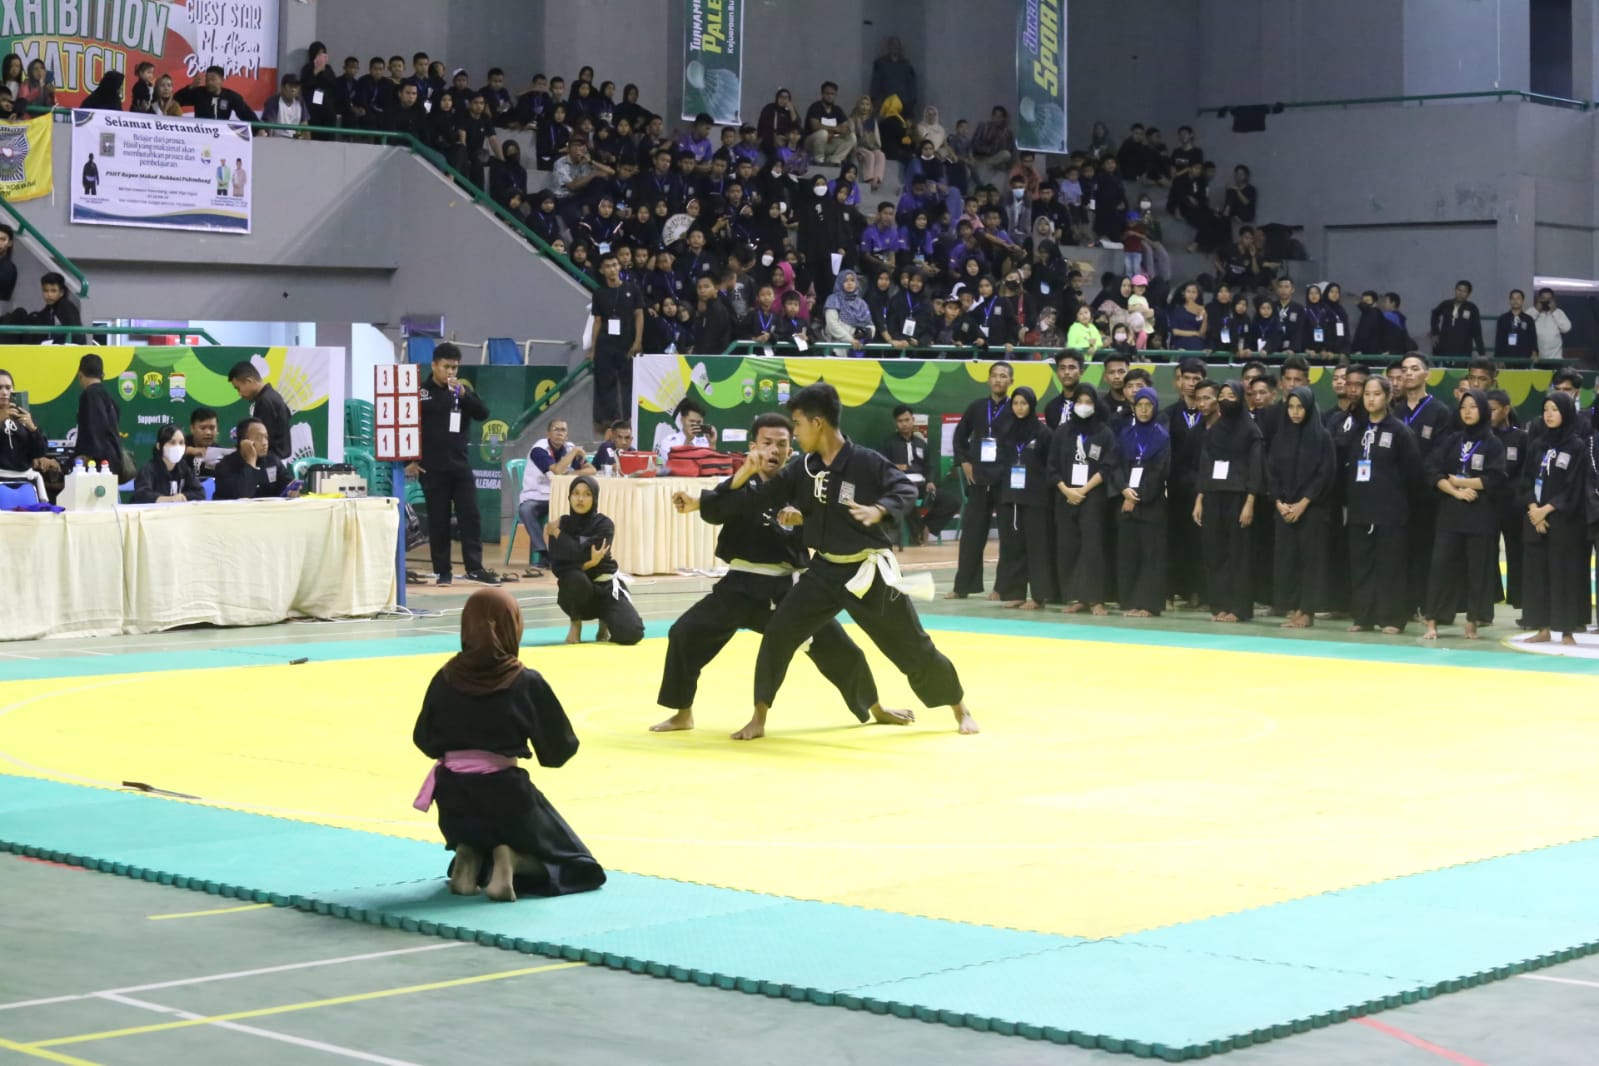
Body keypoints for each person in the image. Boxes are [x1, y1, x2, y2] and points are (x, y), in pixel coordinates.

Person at [672, 383, 978, 740]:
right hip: (824, 572)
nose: (795, 435)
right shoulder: (803, 469)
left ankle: (960, 708)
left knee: (911, 646)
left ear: (817, 423)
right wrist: (704, 501)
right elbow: (756, 499)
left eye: (797, 425)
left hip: (868, 571)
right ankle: (759, 717)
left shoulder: (865, 461)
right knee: (779, 634)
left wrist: (879, 509)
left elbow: (905, 489)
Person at [654, 412, 907, 733]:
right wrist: (704, 498)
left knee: (841, 649)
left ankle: (875, 707)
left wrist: (805, 517)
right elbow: (717, 508)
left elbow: (834, 520)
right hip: (738, 587)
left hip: (789, 590)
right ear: (752, 446)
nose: (773, 450)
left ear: (792, 450)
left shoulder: (804, 485)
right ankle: (682, 713)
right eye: (766, 443)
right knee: (684, 634)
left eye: (782, 444)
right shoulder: (740, 483)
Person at [412, 587, 606, 902]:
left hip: (452, 803)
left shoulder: (444, 677)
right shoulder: (525, 681)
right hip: (507, 799)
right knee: (581, 868)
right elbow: (559, 751)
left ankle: (468, 855)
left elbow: (423, 739)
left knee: (478, 835)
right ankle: (511, 861)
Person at [410, 344, 498, 585]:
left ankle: (475, 568)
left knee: (470, 517)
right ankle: (442, 571)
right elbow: (409, 426)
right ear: (435, 365)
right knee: (438, 521)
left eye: (455, 367)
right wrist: (410, 461)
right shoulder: (421, 393)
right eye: (446, 366)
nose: (450, 371)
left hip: (459, 466)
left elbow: (483, 413)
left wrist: (463, 395)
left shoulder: (462, 391)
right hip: (431, 468)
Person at [1422, 389, 1506, 641]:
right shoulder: (1451, 440)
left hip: (1481, 518)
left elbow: (1496, 478)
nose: (1467, 411)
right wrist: (1458, 490)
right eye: (1463, 407)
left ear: (1483, 411)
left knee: (1477, 570)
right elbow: (1433, 472)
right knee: (1440, 567)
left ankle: (1472, 622)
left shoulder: (1493, 443)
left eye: (1473, 406)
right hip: (1450, 514)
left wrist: (1464, 482)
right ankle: (1432, 621)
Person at [1345, 376, 1423, 634]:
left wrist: (1402, 505)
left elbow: (1413, 473)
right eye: (1367, 393)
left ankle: (1392, 618)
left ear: (1388, 397)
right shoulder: (1357, 431)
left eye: (1376, 393)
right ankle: (1363, 617)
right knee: (1361, 565)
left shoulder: (1399, 431)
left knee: (1390, 567)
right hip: (1360, 509)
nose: (1370, 398)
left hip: (1391, 511)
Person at [1520, 391, 1589, 645]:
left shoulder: (1577, 446)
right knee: (1536, 573)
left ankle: (1567, 630)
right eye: (1546, 409)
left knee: (1563, 574)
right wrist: (1532, 509)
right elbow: (1525, 479)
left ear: (1567, 413)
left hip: (1562, 521)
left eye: (1555, 410)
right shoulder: (1537, 444)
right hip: (1534, 519)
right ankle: (1542, 627)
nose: (1549, 415)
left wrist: (1546, 510)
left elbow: (1573, 486)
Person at [1194, 381, 1264, 623]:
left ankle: (1239, 608)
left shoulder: (1251, 430)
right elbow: (1206, 464)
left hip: (1239, 497)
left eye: (1231, 395)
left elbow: (1256, 468)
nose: (1225, 400)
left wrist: (1250, 501)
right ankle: (1220, 606)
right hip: (1214, 496)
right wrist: (1200, 498)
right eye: (1221, 396)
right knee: (1215, 553)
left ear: (1241, 398)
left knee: (1238, 555)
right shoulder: (1215, 430)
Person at [1266, 387, 1336, 628]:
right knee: (1288, 562)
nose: (1295, 412)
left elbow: (1325, 474)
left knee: (1310, 563)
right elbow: (1271, 471)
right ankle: (1294, 607)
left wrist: (1303, 503)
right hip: (1284, 510)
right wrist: (1278, 502)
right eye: (1291, 407)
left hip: (1312, 510)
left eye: (1300, 407)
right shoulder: (1281, 436)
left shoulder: (1321, 437)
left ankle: (1307, 611)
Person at [547, 475, 644, 645]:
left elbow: (576, 553)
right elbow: (558, 566)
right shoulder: (561, 524)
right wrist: (588, 563)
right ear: (569, 497)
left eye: (587, 494)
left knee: (632, 633)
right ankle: (575, 624)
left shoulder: (604, 524)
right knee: (573, 577)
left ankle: (605, 621)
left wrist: (560, 537)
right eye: (576, 493)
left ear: (595, 498)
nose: (580, 499)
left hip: (605, 588)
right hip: (578, 592)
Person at [1048, 383, 1118, 615]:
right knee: (1069, 547)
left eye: (1089, 402)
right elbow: (1052, 466)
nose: (1084, 406)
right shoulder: (1062, 431)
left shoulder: (1104, 432)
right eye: (1080, 402)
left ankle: (1096, 599)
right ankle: (1076, 597)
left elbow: (1108, 466)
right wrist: (1067, 490)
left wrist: (1083, 490)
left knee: (1092, 547)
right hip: (1065, 496)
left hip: (1093, 497)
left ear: (1096, 405)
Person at [948, 362, 1014, 599]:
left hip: (1005, 480)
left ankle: (1001, 588)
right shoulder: (977, 407)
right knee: (972, 534)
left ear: (1010, 382)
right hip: (978, 478)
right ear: (988, 380)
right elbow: (960, 436)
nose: (998, 380)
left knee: (1008, 535)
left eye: (1004, 376)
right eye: (995, 376)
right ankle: (962, 587)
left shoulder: (1015, 408)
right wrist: (964, 462)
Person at [1111, 387, 1169, 617]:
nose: (1144, 410)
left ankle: (1148, 604)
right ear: (1133, 408)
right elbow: (1114, 465)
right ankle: (1130, 601)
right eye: (1140, 405)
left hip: (1150, 505)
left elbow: (1160, 472)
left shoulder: (1162, 437)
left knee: (1150, 556)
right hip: (1126, 502)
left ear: (1155, 408)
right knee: (1129, 554)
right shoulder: (1125, 434)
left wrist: (1137, 497)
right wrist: (1124, 489)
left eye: (1149, 405)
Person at [995, 387, 1053, 609]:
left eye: (1024, 403)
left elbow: (1051, 464)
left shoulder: (1043, 433)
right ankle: (1015, 593)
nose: (1020, 407)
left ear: (1032, 405)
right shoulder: (1007, 431)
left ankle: (1039, 596)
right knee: (1014, 546)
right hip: (1011, 497)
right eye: (1016, 403)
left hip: (1036, 498)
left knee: (1037, 548)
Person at [520, 419, 594, 576]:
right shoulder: (539, 449)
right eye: (556, 429)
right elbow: (557, 471)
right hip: (536, 495)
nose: (560, 433)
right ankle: (542, 552)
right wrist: (573, 453)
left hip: (559, 496)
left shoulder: (568, 448)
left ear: (567, 435)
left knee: (581, 508)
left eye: (563, 430)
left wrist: (573, 472)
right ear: (548, 433)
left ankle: (574, 554)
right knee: (526, 509)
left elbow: (591, 470)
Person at [588, 252, 645, 436]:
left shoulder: (632, 289)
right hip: (606, 344)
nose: (612, 269)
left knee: (629, 382)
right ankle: (609, 423)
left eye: (615, 265)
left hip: (627, 344)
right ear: (602, 270)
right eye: (608, 266)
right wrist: (593, 348)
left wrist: (638, 341)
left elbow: (639, 315)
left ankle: (629, 420)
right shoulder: (599, 293)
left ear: (619, 267)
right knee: (605, 383)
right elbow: (597, 321)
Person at [882, 404, 955, 543]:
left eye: (907, 420)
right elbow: (882, 467)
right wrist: (895, 467)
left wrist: (930, 481)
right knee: (908, 498)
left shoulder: (921, 443)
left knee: (951, 501)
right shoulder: (889, 443)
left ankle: (927, 527)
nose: (904, 424)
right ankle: (917, 535)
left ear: (913, 420)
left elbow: (930, 466)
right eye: (900, 421)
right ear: (895, 423)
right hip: (901, 485)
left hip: (922, 486)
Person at [226, 361, 292, 461]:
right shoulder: (273, 396)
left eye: (238, 388)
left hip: (271, 461)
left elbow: (259, 438)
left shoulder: (264, 402)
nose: (239, 394)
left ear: (249, 381)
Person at [213, 418, 293, 499]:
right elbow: (243, 497)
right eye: (258, 438)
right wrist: (251, 460)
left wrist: (291, 491)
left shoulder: (272, 460)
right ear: (244, 442)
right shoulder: (225, 466)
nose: (264, 443)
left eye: (266, 437)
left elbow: (286, 484)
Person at [71, 353, 122, 474]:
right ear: (102, 374)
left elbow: (96, 428)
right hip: (111, 460)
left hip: (97, 464)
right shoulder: (108, 396)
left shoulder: (90, 394)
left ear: (80, 374)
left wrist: (88, 456)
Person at [131, 424, 204, 504]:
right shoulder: (148, 469)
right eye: (172, 443)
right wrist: (169, 499)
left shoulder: (184, 467)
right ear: (159, 446)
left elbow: (200, 493)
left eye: (181, 443)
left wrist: (182, 496)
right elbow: (141, 495)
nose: (178, 447)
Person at [1429, 280, 1485, 357]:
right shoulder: (1446, 304)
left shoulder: (1472, 308)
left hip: (1463, 349)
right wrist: (1435, 332)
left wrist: (1482, 353)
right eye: (1459, 290)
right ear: (1455, 290)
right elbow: (1435, 314)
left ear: (1468, 294)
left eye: (1464, 291)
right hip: (1444, 347)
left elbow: (1477, 331)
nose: (1460, 293)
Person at [1494, 290, 1537, 362]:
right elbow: (1499, 339)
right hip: (1506, 357)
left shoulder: (1528, 319)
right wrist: (1498, 358)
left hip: (1525, 357)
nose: (1515, 301)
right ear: (1510, 301)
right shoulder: (1503, 318)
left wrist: (1534, 352)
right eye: (1513, 298)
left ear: (1523, 301)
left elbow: (1533, 337)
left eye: (1518, 298)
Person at [1530, 288, 1571, 362]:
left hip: (1555, 358)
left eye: (1549, 299)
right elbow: (1524, 326)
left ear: (1553, 300)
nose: (1546, 301)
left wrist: (1554, 311)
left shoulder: (1559, 312)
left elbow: (1566, 328)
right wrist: (1536, 310)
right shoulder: (1531, 311)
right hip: (1536, 359)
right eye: (1543, 299)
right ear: (1538, 299)